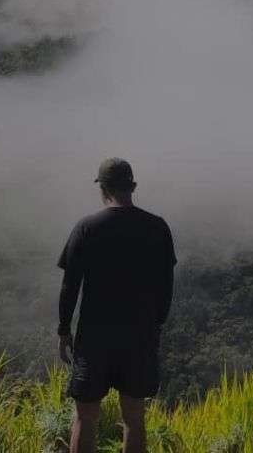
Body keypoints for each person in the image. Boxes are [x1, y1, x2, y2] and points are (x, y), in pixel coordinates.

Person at [57, 158, 177, 453]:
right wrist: (156, 325)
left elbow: (70, 286)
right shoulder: (157, 227)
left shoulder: (87, 228)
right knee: (134, 418)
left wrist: (63, 330)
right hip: (138, 335)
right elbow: (166, 286)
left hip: (95, 336)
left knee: (85, 418)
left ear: (103, 188)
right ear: (132, 187)